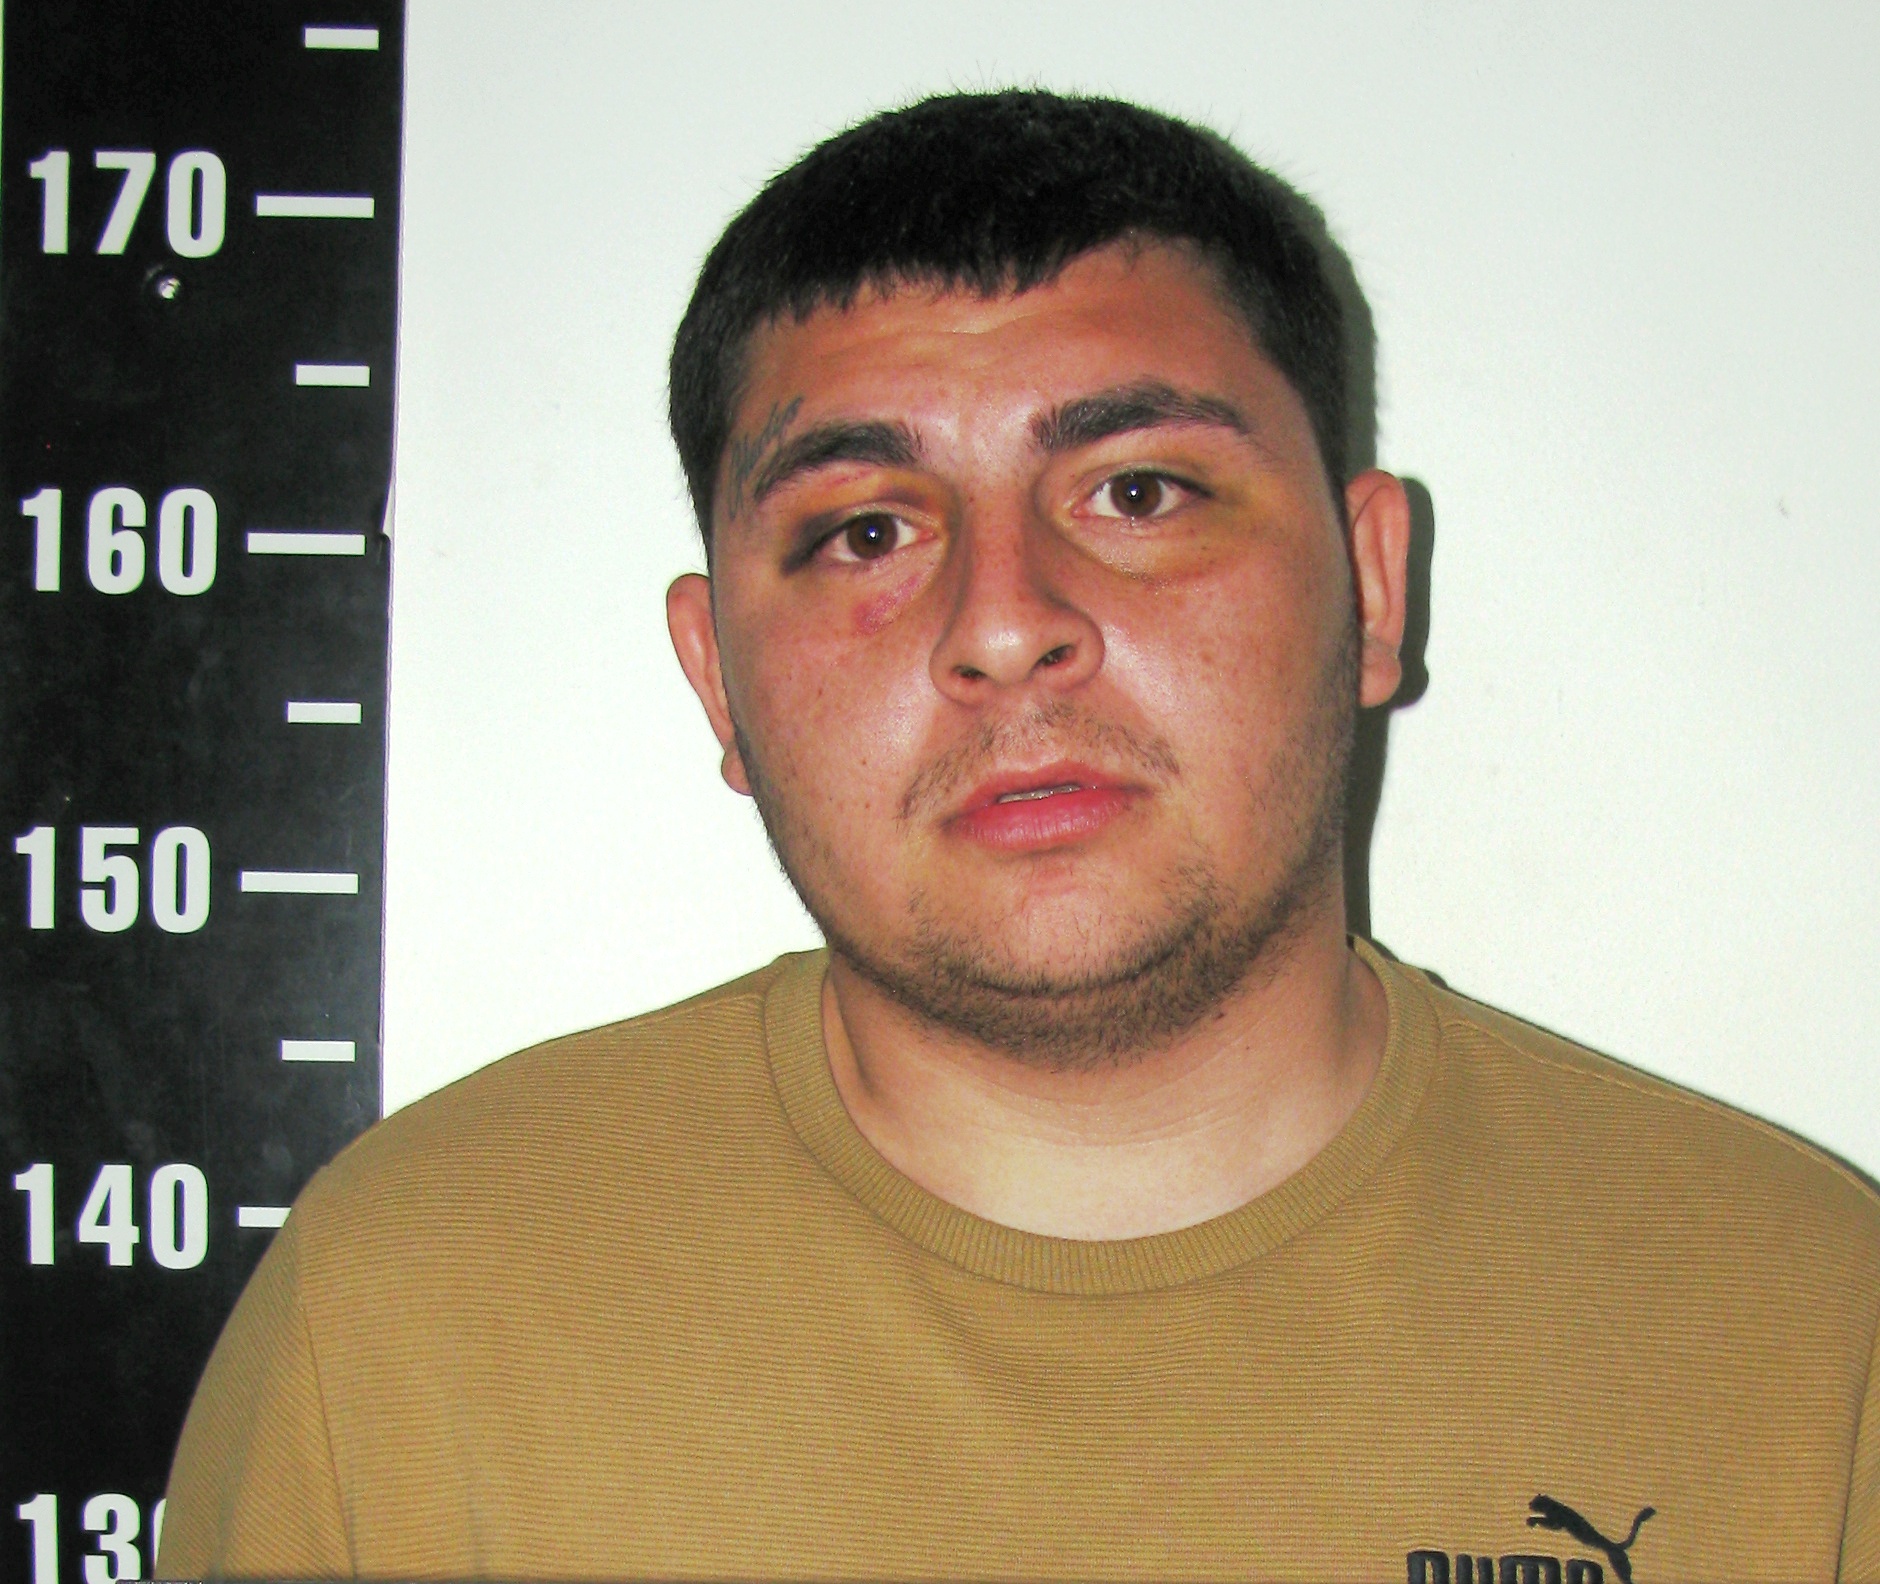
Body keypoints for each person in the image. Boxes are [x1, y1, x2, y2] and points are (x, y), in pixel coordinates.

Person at [158, 91, 1879, 1583]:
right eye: (864, 530)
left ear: (1370, 584)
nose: (1003, 624)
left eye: (1138, 492)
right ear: (717, 678)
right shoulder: (401, 1320)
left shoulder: (1806, 1332)